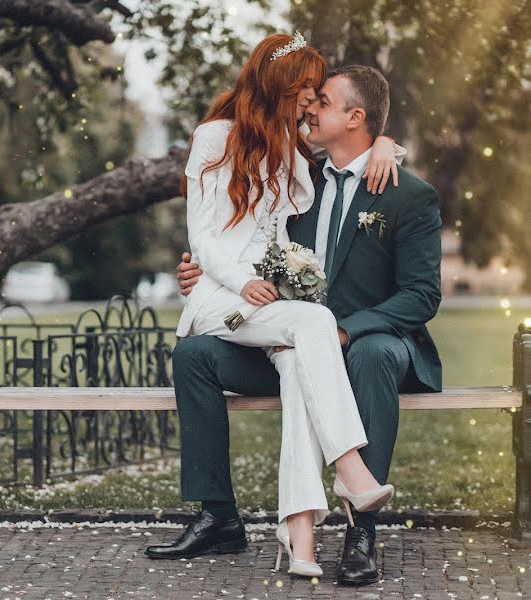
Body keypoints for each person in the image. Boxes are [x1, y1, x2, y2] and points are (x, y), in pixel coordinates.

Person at [158, 59, 443, 585]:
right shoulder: (301, 174)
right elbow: (244, 233)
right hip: (289, 334)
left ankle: (363, 527)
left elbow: (422, 296)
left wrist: (349, 328)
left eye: (323, 102)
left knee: (371, 352)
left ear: (356, 118)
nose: (310, 109)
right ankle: (218, 514)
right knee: (194, 354)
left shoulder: (406, 193)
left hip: (370, 345)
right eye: (307, 101)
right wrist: (204, 274)